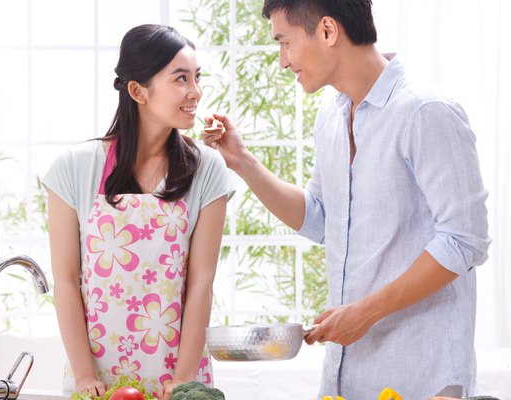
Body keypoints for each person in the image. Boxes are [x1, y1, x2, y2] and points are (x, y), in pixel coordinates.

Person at [202, 1, 491, 399]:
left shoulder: (425, 111)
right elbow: (322, 219)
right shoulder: (332, 117)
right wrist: (243, 162)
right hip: (347, 372)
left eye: (285, 43)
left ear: (327, 31)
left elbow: (465, 240)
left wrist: (365, 312)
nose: (283, 61)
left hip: (424, 372)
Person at [44, 24, 233, 400]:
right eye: (181, 79)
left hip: (176, 380)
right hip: (97, 385)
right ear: (137, 91)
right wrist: (84, 378)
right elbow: (66, 281)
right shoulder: (73, 168)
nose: (195, 92)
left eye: (197, 78)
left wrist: (183, 382)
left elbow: (200, 284)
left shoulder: (208, 169)